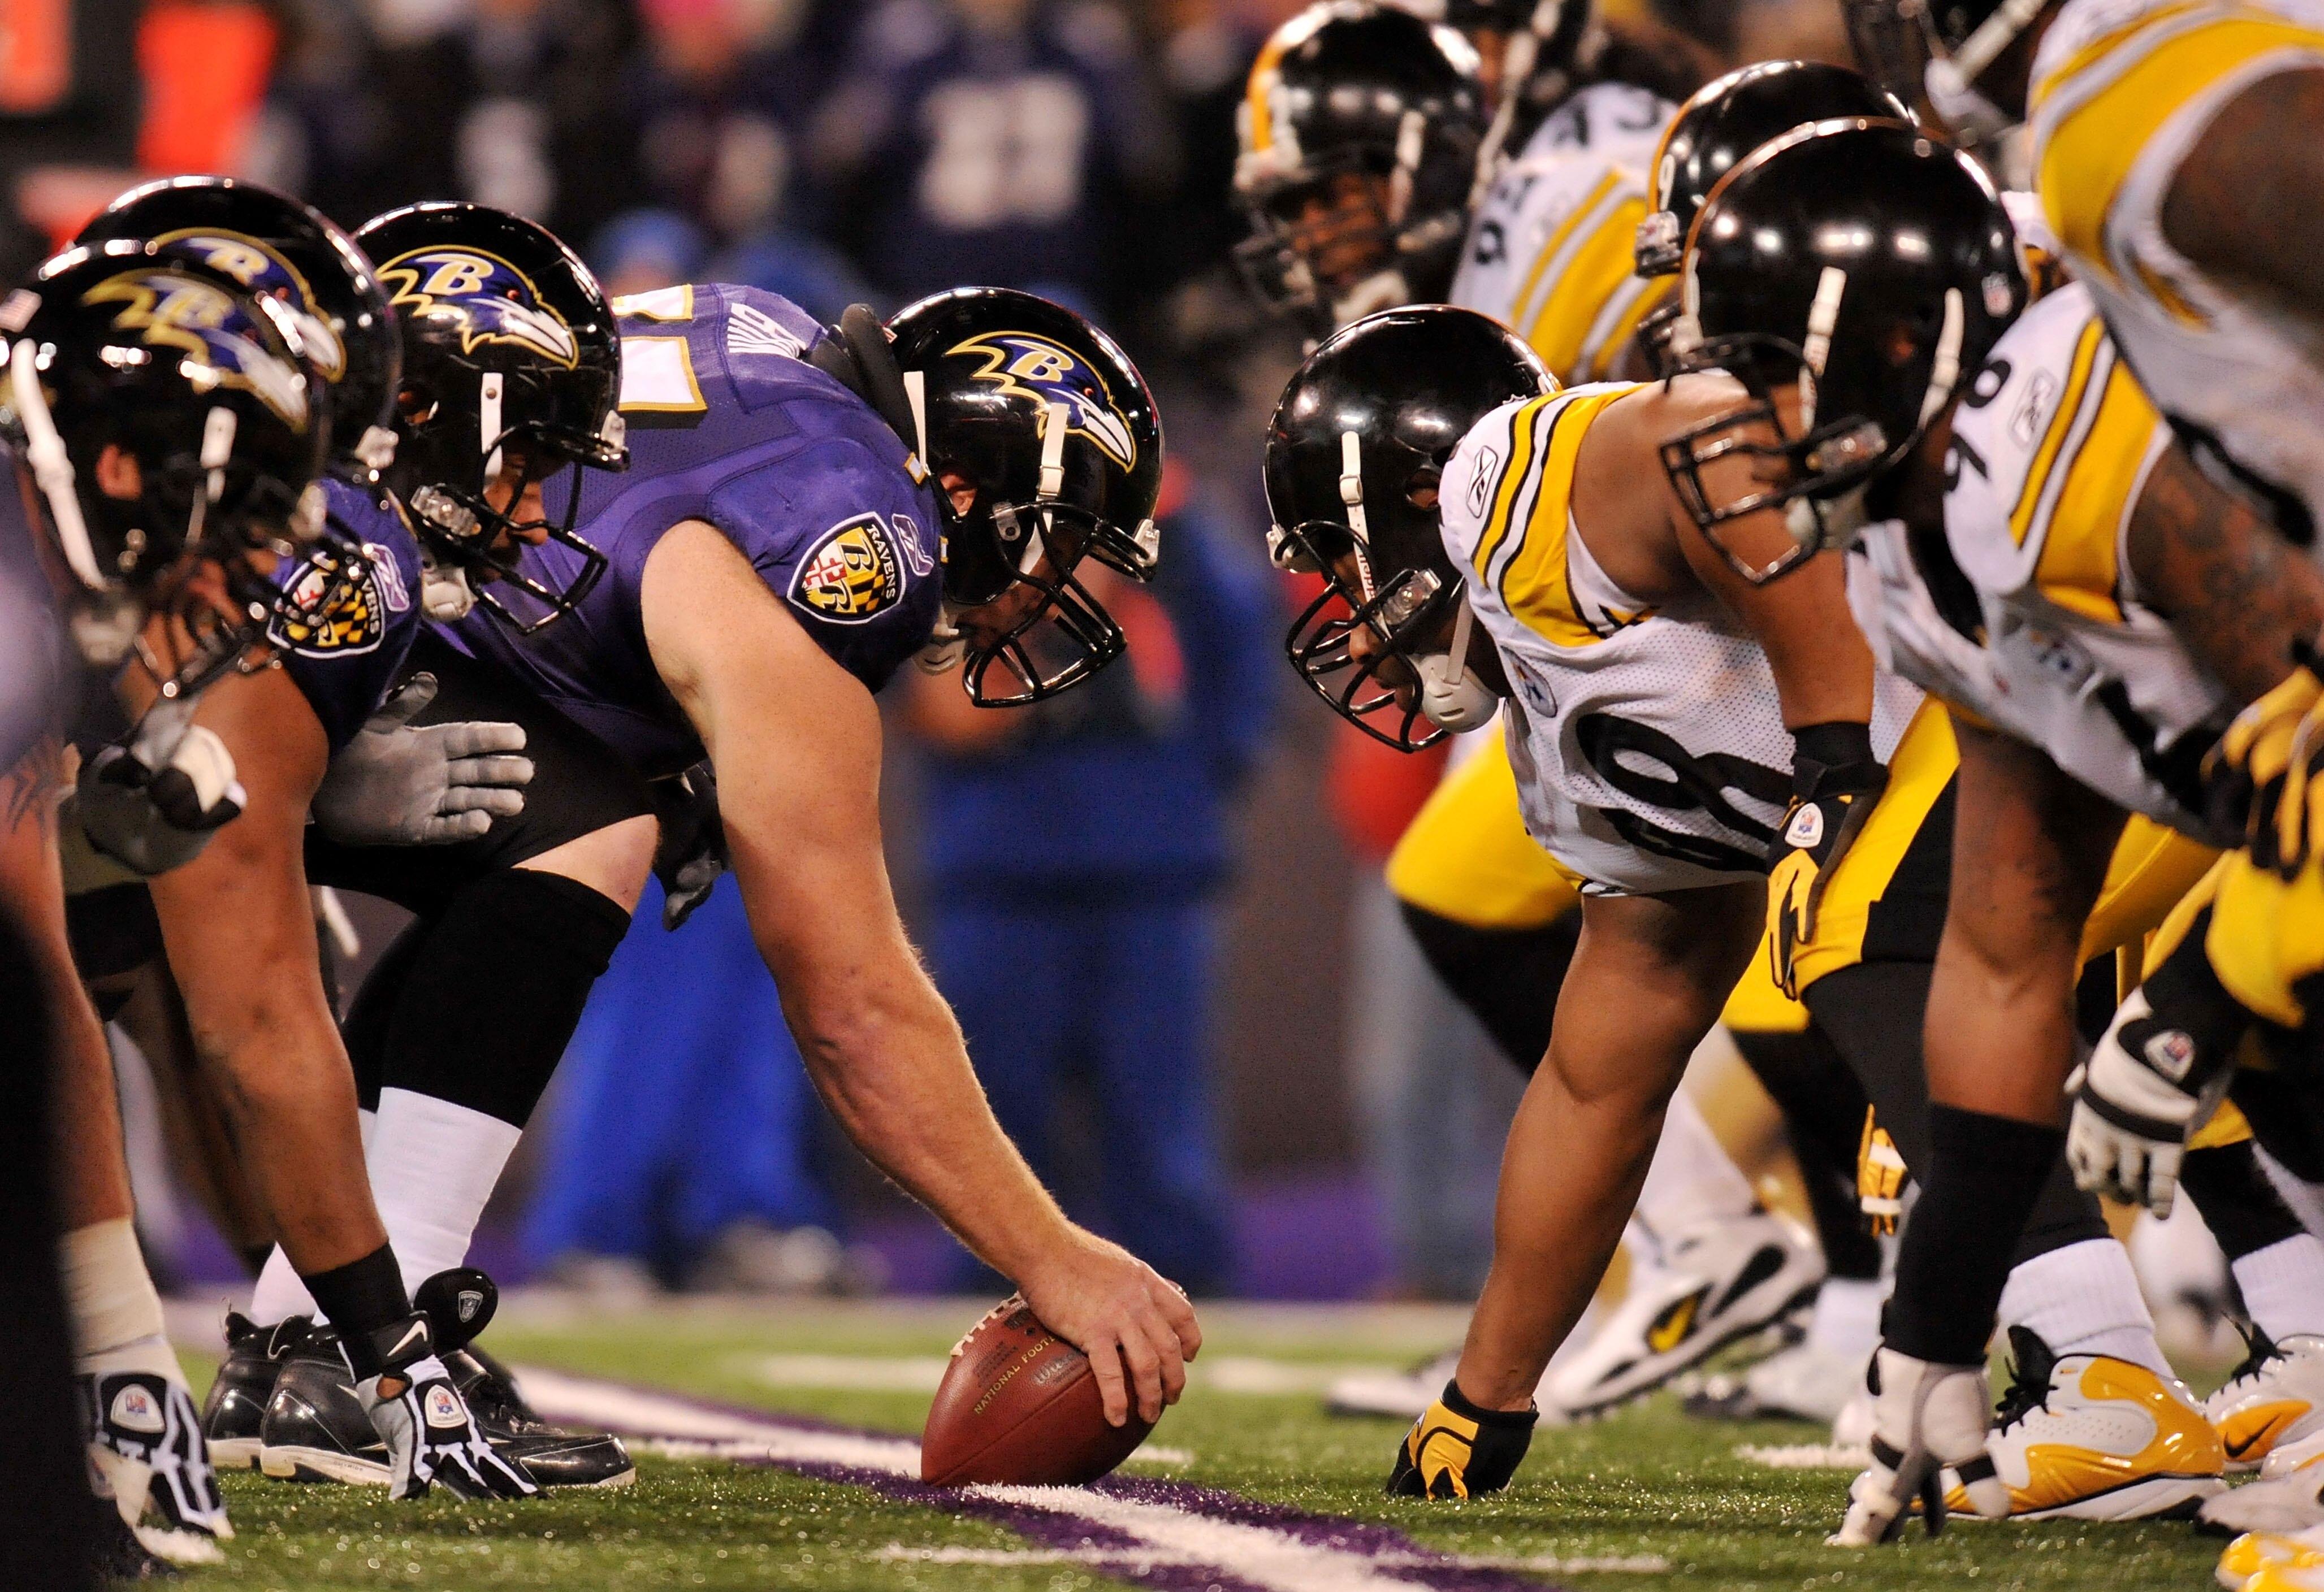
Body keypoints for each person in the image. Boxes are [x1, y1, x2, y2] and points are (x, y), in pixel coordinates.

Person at [217, 202, 1202, 1472]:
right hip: (329, 621)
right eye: (1051, 545)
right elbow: (850, 1001)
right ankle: (356, 1339)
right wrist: (1051, 1253)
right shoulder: (854, 528)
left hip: (331, 602)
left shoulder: (766, 336)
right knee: (580, 829)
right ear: (964, 488)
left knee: (561, 824)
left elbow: (625, 544)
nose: (1038, 593)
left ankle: (311, 1330)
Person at [902, 461, 1278, 1296]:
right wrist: (1035, 608)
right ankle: (985, 1312)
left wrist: (1176, 794)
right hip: (1003, 868)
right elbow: (951, 717)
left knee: (1161, 1131)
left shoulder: (1179, 531)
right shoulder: (956, 533)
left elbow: (1236, 690)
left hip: (1146, 866)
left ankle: (1184, 1306)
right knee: (992, 1128)